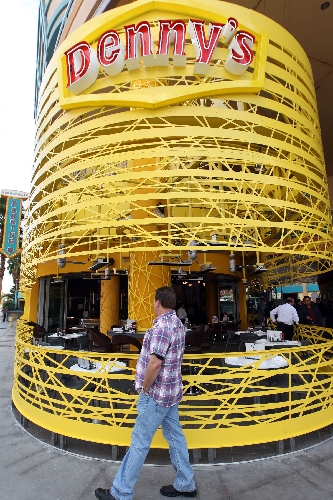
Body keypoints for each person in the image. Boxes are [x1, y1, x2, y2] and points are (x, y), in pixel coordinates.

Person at [95, 287, 196, 500]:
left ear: (157, 302)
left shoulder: (161, 327)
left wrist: (145, 388)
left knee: (139, 443)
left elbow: (155, 364)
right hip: (172, 393)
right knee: (176, 438)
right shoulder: (177, 323)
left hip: (156, 395)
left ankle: (120, 492)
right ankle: (186, 483)